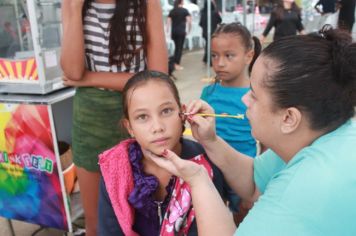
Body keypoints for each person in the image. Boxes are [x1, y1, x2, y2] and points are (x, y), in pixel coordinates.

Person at [147, 26, 356, 235]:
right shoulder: (326, 134)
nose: (245, 99)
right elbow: (254, 182)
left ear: (289, 118)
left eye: (254, 95)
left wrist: (197, 179)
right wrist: (211, 140)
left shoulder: (304, 194)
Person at [60, 0, 168, 235]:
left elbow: (157, 75)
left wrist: (88, 79)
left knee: (144, 213)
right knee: (96, 222)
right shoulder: (72, 4)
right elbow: (72, 70)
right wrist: (75, 7)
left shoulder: (146, 3)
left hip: (137, 113)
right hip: (90, 119)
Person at [97, 70, 225, 235]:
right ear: (130, 128)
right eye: (142, 117)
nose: (157, 127)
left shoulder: (205, 163)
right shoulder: (114, 170)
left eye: (166, 111)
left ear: (183, 113)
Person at [200, 22, 261, 223]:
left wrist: (258, 184)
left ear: (248, 56)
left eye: (229, 55)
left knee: (242, 220)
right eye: (215, 55)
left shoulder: (257, 96)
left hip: (243, 175)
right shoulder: (208, 93)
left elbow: (269, 145)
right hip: (210, 170)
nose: (220, 63)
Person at [167, 0, 192, 71]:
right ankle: (176, 64)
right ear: (181, 2)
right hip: (181, 31)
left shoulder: (172, 11)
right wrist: (189, 30)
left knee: (176, 47)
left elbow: (168, 22)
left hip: (174, 32)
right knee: (179, 48)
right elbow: (189, 21)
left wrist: (168, 32)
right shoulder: (184, 11)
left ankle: (174, 63)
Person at [199, 0, 222, 64]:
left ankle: (206, 59)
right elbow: (220, 20)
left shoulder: (203, 13)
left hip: (205, 32)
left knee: (207, 45)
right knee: (211, 46)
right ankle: (210, 60)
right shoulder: (215, 13)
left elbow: (200, 23)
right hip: (213, 31)